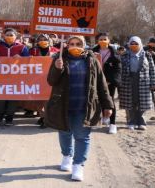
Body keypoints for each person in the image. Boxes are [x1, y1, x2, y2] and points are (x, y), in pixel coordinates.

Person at [45, 35, 114, 182]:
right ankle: (66, 156)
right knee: (64, 132)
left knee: (82, 136)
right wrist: (58, 68)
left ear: (84, 45)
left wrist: (108, 104)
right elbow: (51, 81)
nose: (75, 46)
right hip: (63, 105)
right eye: (71, 44)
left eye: (78, 44)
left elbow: (101, 85)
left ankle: (78, 165)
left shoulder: (92, 61)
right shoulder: (60, 59)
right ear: (67, 45)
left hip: (85, 106)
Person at [119, 36, 155, 131]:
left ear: (140, 44)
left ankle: (141, 122)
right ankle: (131, 121)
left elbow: (152, 70)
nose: (134, 45)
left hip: (144, 82)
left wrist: (154, 83)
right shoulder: (124, 55)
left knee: (142, 102)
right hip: (128, 81)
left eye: (136, 43)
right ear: (129, 44)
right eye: (132, 43)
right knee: (130, 102)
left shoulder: (147, 55)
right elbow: (119, 69)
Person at [0, 28, 30, 126]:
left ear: (15, 36)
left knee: (13, 97)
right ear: (3, 36)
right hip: (1, 76)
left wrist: (21, 59)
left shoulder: (22, 47)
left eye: (11, 35)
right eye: (7, 34)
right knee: (0, 96)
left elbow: (29, 61)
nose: (9, 37)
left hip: (16, 77)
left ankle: (9, 117)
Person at [92, 32, 122, 134]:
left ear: (109, 41)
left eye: (105, 39)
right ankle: (99, 119)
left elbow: (118, 69)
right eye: (101, 39)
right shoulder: (93, 51)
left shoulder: (114, 53)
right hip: (96, 81)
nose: (103, 41)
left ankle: (112, 124)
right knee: (97, 100)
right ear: (97, 41)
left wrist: (111, 80)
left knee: (110, 101)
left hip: (109, 82)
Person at [28, 34, 60, 128]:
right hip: (36, 78)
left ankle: (46, 118)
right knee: (38, 99)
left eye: (45, 39)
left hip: (50, 77)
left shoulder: (56, 51)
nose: (43, 41)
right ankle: (42, 116)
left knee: (48, 99)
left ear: (49, 40)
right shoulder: (33, 50)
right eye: (40, 39)